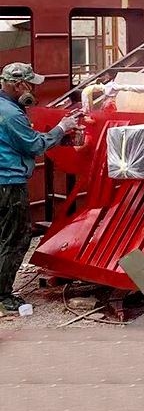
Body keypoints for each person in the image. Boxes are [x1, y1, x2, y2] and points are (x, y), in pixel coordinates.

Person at [0, 63, 77, 313]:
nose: (34, 89)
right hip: (8, 183)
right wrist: (61, 129)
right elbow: (32, 145)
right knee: (16, 238)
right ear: (18, 85)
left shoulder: (8, 108)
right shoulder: (10, 114)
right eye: (31, 84)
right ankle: (2, 297)